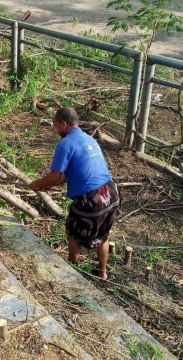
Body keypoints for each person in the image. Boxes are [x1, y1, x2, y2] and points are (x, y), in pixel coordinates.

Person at [29, 107, 120, 279]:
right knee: (102, 233)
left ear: (64, 124)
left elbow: (55, 175)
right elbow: (74, 173)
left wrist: (36, 184)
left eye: (56, 126)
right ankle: (102, 273)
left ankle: (73, 270)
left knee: (73, 232)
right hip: (111, 192)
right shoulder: (88, 139)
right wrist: (51, 184)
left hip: (92, 200)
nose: (56, 130)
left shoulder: (65, 144)